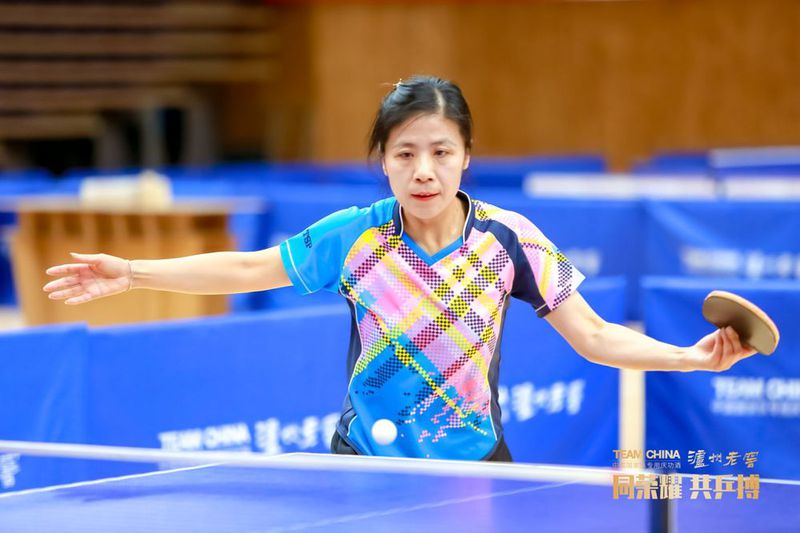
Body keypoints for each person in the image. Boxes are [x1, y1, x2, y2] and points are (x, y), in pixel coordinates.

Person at [43, 75, 756, 463]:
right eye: (405, 153)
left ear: (467, 157)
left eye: (441, 152)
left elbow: (595, 336)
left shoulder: (508, 240)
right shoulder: (357, 236)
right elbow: (248, 267)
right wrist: (132, 272)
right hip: (363, 462)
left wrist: (688, 358)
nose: (423, 171)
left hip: (475, 466)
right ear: (383, 161)